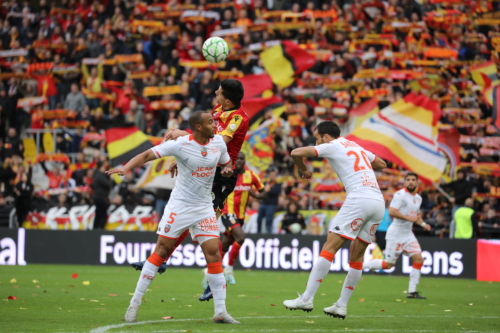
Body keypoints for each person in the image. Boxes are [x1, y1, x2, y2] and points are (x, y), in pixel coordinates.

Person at [106, 111, 240, 324]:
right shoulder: (180, 144)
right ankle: (134, 305)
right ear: (197, 127)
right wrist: (126, 167)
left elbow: (226, 164)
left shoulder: (218, 143)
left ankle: (220, 312)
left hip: (204, 207)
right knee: (161, 252)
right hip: (180, 207)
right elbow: (148, 155)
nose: (214, 124)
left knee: (214, 254)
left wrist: (226, 169)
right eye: (209, 122)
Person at [129, 79, 249, 301]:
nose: (215, 93)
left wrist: (182, 135)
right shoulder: (218, 109)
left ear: (228, 99)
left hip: (222, 175)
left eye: (219, 92)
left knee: (209, 225)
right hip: (205, 168)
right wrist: (184, 157)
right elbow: (202, 140)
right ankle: (164, 260)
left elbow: (216, 141)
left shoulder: (238, 117)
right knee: (188, 216)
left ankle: (212, 281)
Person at [283, 121, 387, 319]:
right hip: (378, 202)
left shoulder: (332, 145)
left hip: (359, 199)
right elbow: (382, 164)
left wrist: (304, 170)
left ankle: (306, 298)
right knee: (356, 257)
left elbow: (296, 152)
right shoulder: (355, 145)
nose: (317, 141)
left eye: (317, 138)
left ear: (326, 136)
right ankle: (341, 305)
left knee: (329, 248)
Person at [363, 172, 432, 299]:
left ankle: (412, 292)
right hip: (395, 234)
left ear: (417, 183)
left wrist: (423, 224)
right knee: (388, 265)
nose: (411, 182)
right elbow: (392, 211)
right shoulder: (400, 195)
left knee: (419, 259)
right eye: (408, 180)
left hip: (408, 234)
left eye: (413, 180)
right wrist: (409, 218)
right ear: (405, 182)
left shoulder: (418, 198)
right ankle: (361, 266)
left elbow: (415, 216)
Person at [209, 152, 265, 285]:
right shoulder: (228, 174)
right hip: (227, 212)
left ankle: (213, 269)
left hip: (240, 217)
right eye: (237, 158)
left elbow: (264, 193)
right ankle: (228, 269)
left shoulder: (251, 176)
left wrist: (256, 196)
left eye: (242, 158)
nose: (239, 161)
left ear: (245, 161)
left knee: (226, 245)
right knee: (241, 238)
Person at [256, 167, 282, 233]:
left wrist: (268, 190)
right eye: (271, 175)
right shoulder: (265, 183)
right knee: (259, 219)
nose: (272, 177)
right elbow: (261, 191)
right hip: (263, 203)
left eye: (273, 175)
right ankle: (258, 232)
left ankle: (269, 234)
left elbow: (275, 192)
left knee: (268, 220)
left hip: (272, 204)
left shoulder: (277, 185)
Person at [92, 160, 112, 229]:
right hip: (101, 197)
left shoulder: (96, 174)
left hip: (97, 196)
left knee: (98, 213)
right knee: (103, 214)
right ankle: (100, 229)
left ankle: (95, 229)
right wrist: (111, 179)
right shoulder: (100, 175)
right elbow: (108, 185)